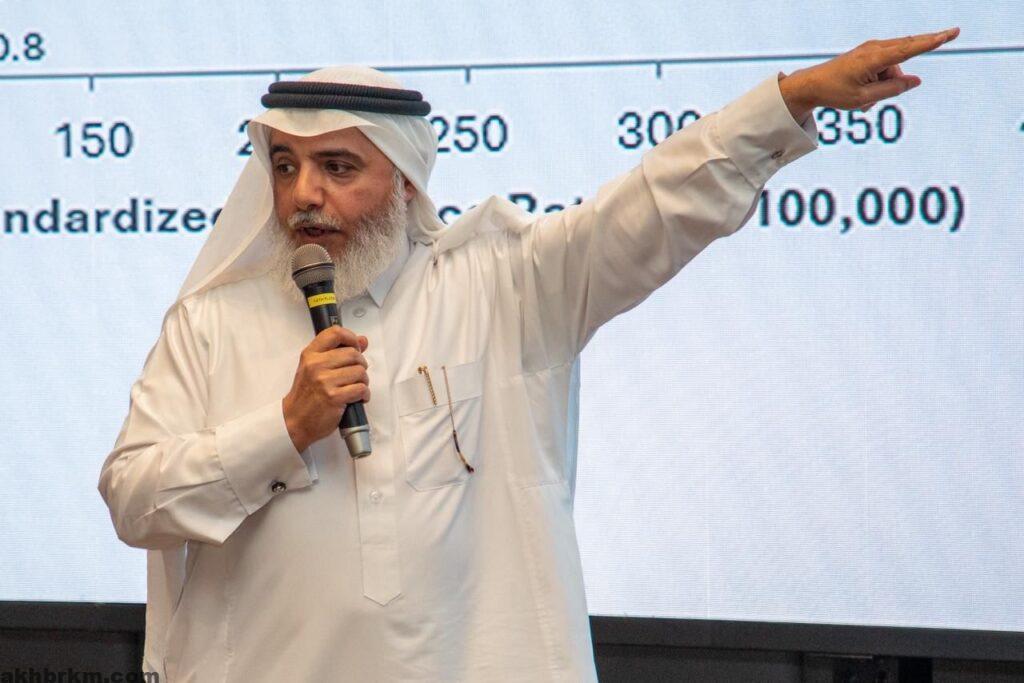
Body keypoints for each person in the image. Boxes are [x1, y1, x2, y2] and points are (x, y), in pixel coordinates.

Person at [98, 27, 959, 682]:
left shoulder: (506, 288)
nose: (303, 195)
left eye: (337, 167)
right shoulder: (212, 322)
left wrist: (790, 98)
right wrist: (283, 428)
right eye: (285, 166)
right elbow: (134, 498)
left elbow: (651, 208)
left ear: (404, 180)